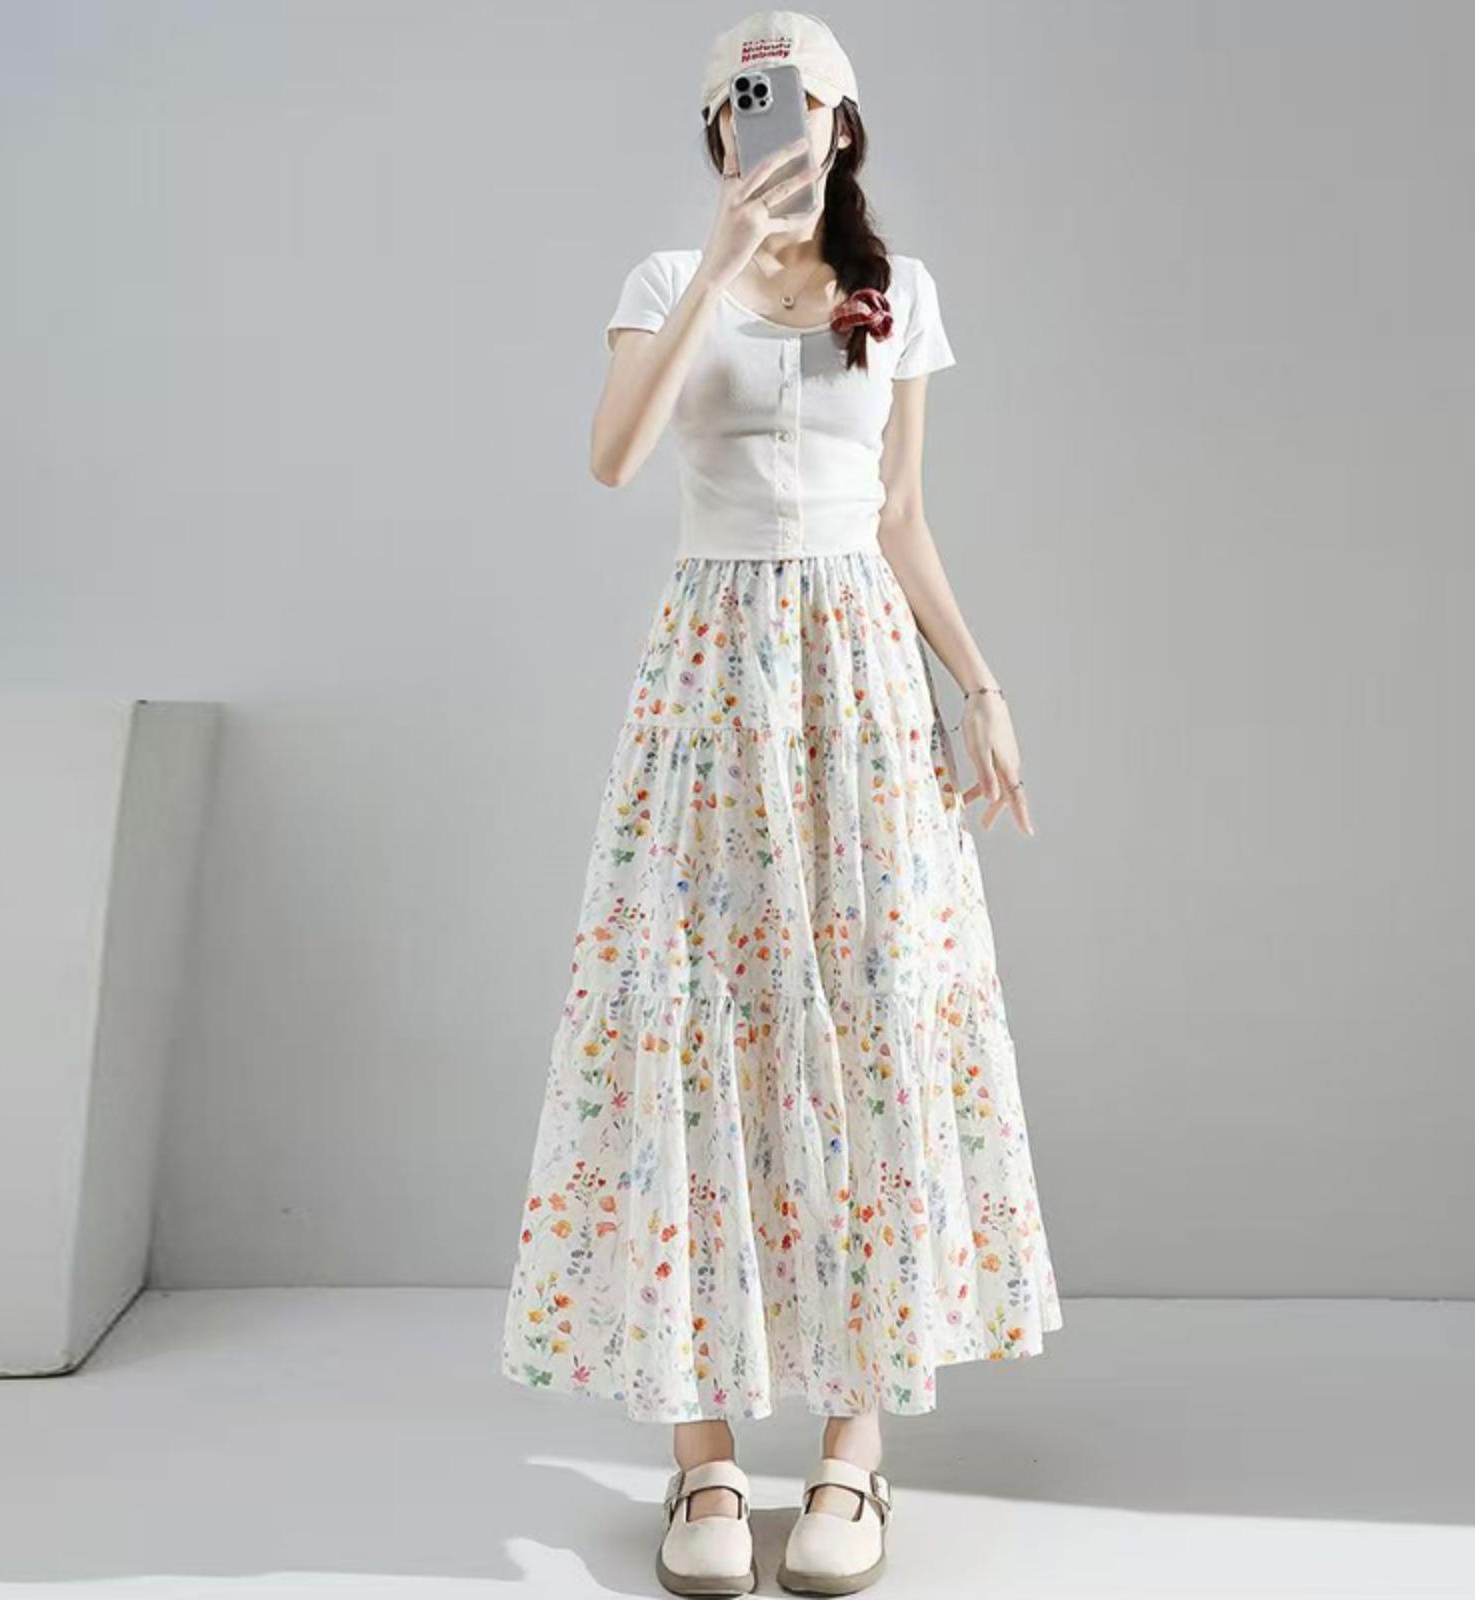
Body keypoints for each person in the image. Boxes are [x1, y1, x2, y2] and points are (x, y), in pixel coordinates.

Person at [500, 12, 1063, 1595]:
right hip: (711, 669)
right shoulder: (660, 280)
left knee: (873, 1024)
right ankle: (698, 1460)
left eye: (801, 101)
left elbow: (901, 515)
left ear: (845, 121)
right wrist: (713, 265)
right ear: (717, 131)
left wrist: (982, 686)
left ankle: (851, 1455)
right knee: (686, 1024)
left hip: (860, 676)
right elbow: (614, 459)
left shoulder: (900, 290)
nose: (775, 126)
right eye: (744, 107)